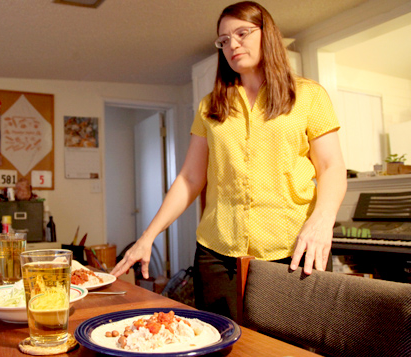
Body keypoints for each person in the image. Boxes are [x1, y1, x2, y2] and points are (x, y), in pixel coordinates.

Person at [110, 1, 347, 320]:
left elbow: (331, 167)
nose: (232, 45)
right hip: (217, 253)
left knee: (288, 348)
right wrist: (147, 237)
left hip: (294, 247)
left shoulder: (308, 96)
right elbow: (190, 179)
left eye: (242, 33)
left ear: (268, 34)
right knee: (223, 341)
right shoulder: (210, 105)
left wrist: (322, 220)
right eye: (223, 40)